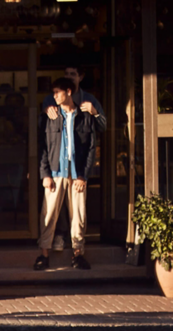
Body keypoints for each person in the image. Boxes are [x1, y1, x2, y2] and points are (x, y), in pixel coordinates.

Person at [41, 65, 106, 251]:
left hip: (76, 168)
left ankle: (78, 251)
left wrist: (95, 113)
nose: (69, 77)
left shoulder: (88, 102)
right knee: (51, 210)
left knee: (78, 212)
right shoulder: (52, 101)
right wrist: (46, 110)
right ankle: (55, 241)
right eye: (66, 74)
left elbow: (97, 135)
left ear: (80, 77)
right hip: (57, 166)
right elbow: (44, 141)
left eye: (72, 74)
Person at [34, 77, 97, 271]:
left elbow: (91, 148)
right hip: (55, 172)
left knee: (79, 215)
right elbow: (43, 147)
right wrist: (45, 174)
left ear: (68, 92)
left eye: (57, 92)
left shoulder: (84, 116)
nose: (54, 96)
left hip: (76, 173)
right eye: (53, 92)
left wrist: (83, 176)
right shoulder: (50, 116)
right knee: (49, 213)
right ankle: (43, 255)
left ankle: (78, 255)